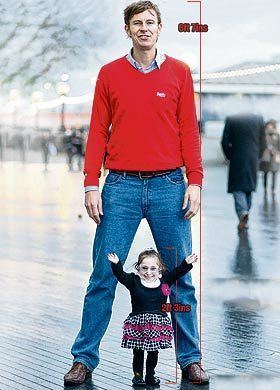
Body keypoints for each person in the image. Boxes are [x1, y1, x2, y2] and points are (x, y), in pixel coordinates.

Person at [64, 1, 209, 386]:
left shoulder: (178, 72)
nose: (143, 28)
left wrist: (195, 181)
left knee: (181, 281)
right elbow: (97, 131)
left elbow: (189, 132)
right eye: (136, 23)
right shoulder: (109, 74)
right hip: (121, 188)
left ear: (160, 28)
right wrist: (91, 182)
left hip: (169, 187)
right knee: (102, 277)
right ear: (127, 30)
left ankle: (191, 359)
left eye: (150, 22)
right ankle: (84, 359)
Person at [108, 249, 198, 387]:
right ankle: (137, 377)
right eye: (144, 268)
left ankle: (150, 375)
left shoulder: (165, 281)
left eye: (153, 268)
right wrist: (116, 264)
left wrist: (186, 263)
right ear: (138, 268)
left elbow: (177, 272)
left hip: (157, 325)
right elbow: (120, 275)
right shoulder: (133, 281)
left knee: (153, 353)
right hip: (138, 324)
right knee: (138, 353)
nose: (148, 272)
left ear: (159, 268)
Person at [221, 113, 266, 232]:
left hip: (237, 157)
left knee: (238, 188)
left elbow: (224, 141)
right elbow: (264, 143)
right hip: (253, 159)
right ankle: (245, 216)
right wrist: (257, 156)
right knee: (248, 188)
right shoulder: (258, 118)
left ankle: (243, 213)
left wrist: (230, 155)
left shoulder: (232, 117)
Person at [259, 119, 280, 196]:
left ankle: (273, 189)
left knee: (274, 173)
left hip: (274, 157)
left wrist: (276, 151)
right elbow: (261, 145)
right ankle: (265, 187)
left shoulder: (277, 135)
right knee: (265, 173)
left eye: (271, 127)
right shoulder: (264, 135)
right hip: (266, 157)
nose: (269, 129)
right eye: (268, 127)